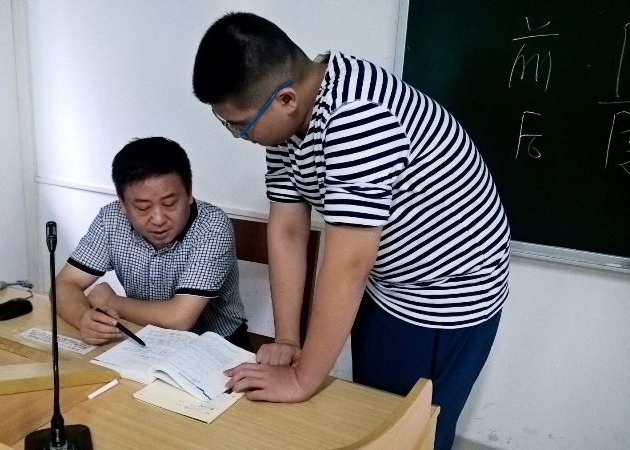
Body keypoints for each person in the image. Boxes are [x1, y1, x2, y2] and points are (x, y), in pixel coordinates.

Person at [191, 12, 510, 449]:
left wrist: (302, 379)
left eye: (239, 125)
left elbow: (348, 265)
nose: (238, 135)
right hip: (387, 281)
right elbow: (288, 230)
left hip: (444, 296)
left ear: (285, 99)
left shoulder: (358, 118)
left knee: (412, 431)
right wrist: (288, 338)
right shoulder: (289, 120)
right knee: (368, 415)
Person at [55, 137, 251, 351]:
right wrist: (82, 318)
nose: (158, 219)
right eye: (143, 207)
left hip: (218, 346)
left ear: (189, 194)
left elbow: (179, 318)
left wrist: (111, 302)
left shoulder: (212, 226)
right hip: (145, 339)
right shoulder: (111, 219)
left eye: (170, 203)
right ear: (122, 204)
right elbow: (65, 283)